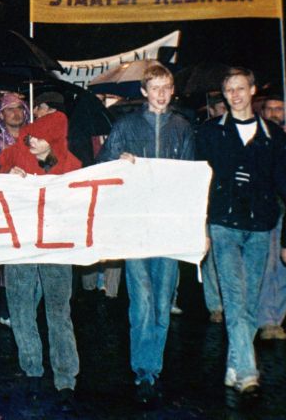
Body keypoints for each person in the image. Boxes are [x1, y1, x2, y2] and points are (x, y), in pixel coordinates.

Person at [196, 68, 286, 394]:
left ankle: (233, 365)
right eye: (229, 89)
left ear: (252, 90)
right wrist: (200, 227)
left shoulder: (273, 135)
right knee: (234, 298)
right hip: (224, 226)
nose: (236, 95)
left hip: (260, 229)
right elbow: (197, 182)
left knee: (250, 302)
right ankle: (248, 371)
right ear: (224, 94)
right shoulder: (211, 132)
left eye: (241, 88)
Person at [97, 63, 195, 404]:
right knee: (141, 300)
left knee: (162, 302)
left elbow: (189, 180)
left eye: (167, 87)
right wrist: (116, 159)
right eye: (155, 88)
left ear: (172, 90)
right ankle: (145, 371)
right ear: (144, 91)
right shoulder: (125, 125)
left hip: (167, 227)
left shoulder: (183, 127)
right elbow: (101, 166)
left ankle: (154, 363)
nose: (161, 94)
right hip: (135, 226)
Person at [0, 111, 81, 412]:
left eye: (39, 137)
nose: (31, 140)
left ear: (54, 140)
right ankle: (32, 369)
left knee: (58, 311)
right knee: (20, 307)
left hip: (55, 247)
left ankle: (65, 378)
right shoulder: (15, 154)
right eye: (30, 134)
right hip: (20, 243)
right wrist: (6, 176)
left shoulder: (71, 166)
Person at [255, 96, 286, 341]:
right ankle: (267, 320)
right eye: (270, 108)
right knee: (268, 266)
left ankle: (276, 317)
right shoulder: (260, 135)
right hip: (268, 209)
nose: (274, 113)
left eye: (279, 108)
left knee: (285, 266)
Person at [0, 92, 29, 160]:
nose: (16, 113)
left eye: (19, 108)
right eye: (10, 109)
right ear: (1, 115)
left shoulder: (34, 138)